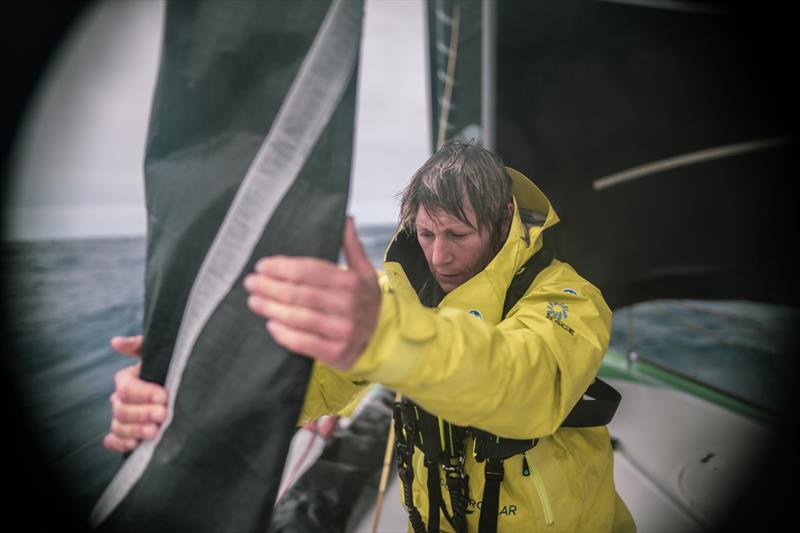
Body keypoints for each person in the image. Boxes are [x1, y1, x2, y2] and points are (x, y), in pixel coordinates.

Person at [105, 140, 636, 532]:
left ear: (502, 221)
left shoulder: (568, 297)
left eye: (458, 235)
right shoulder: (392, 298)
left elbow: (529, 384)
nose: (439, 255)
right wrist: (181, 398)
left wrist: (389, 341)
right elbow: (300, 381)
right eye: (426, 234)